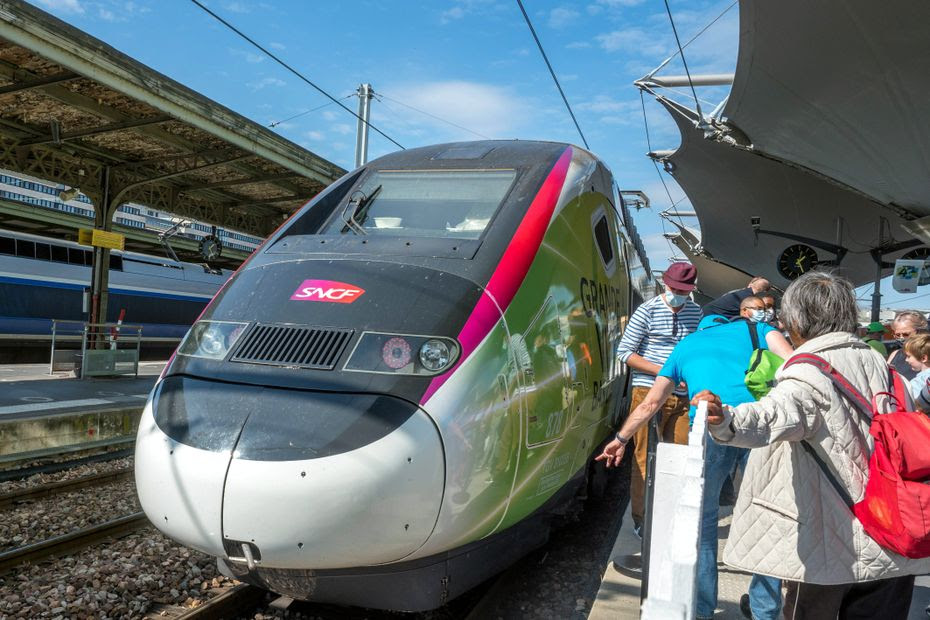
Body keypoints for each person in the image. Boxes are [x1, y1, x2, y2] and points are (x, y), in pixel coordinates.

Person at [693, 271, 930, 619]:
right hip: (896, 535)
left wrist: (725, 418)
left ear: (798, 321)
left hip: (832, 546)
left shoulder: (809, 370)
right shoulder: (887, 368)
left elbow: (772, 415)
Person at [599, 295, 794, 620]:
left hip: (709, 428)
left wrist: (620, 439)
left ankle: (702, 609)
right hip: (759, 425)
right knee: (767, 518)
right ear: (733, 319)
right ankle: (765, 611)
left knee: (702, 522)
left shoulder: (685, 345)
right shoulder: (758, 329)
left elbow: (650, 403)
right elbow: (794, 365)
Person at [615, 261, 701, 536]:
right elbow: (625, 352)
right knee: (644, 458)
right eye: (675, 289)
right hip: (647, 391)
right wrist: (666, 372)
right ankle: (642, 519)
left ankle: (671, 515)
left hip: (683, 396)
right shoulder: (647, 310)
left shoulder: (696, 313)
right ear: (666, 284)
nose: (679, 294)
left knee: (680, 456)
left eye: (684, 291)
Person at [702, 276, 772, 319]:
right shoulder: (749, 300)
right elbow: (753, 317)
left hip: (705, 314)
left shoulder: (739, 292)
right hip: (709, 319)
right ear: (763, 291)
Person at [887, 310, 929, 380]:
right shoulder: (895, 354)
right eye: (897, 335)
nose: (901, 338)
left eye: (906, 334)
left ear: (921, 331)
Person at [904, 334, 930, 399]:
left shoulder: (917, 383)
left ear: (923, 358)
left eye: (908, 356)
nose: (906, 360)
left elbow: (915, 405)